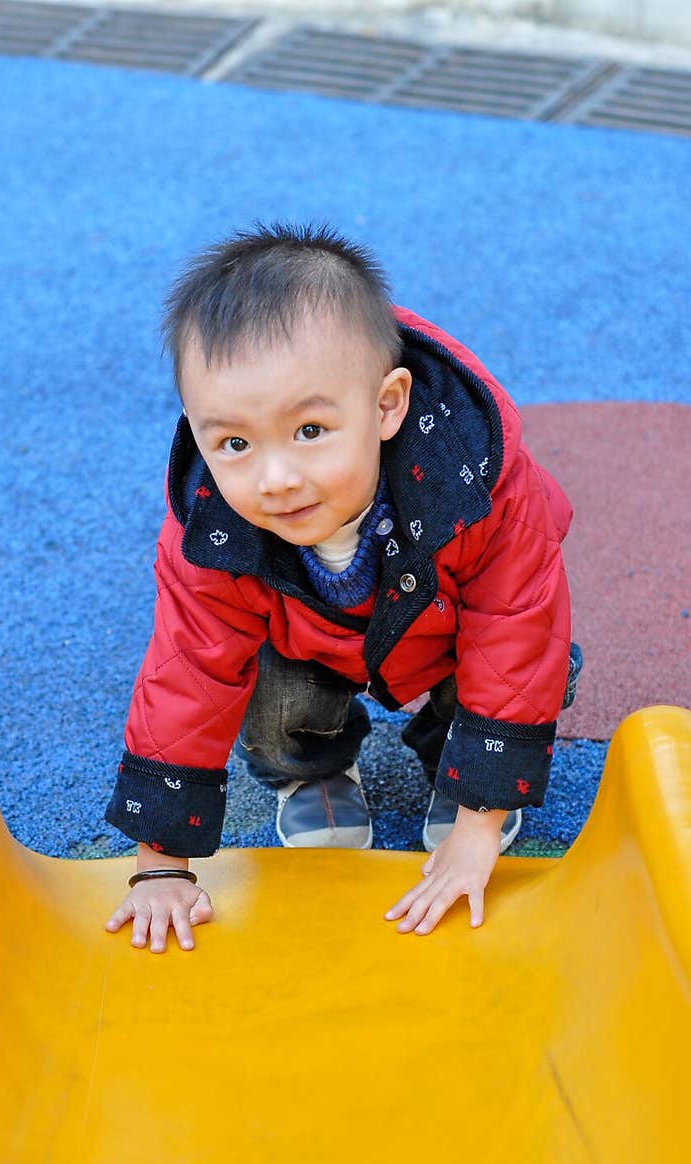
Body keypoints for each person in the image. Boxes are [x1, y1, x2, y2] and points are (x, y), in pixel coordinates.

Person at [103, 221, 580, 951]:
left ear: (387, 405)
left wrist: (482, 820)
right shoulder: (213, 530)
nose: (276, 478)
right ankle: (313, 765)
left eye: (311, 431)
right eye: (234, 442)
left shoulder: (473, 484)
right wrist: (160, 864)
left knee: (531, 661)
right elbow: (187, 670)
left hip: (444, 632)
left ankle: (456, 762)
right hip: (310, 644)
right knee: (260, 689)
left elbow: (517, 625)